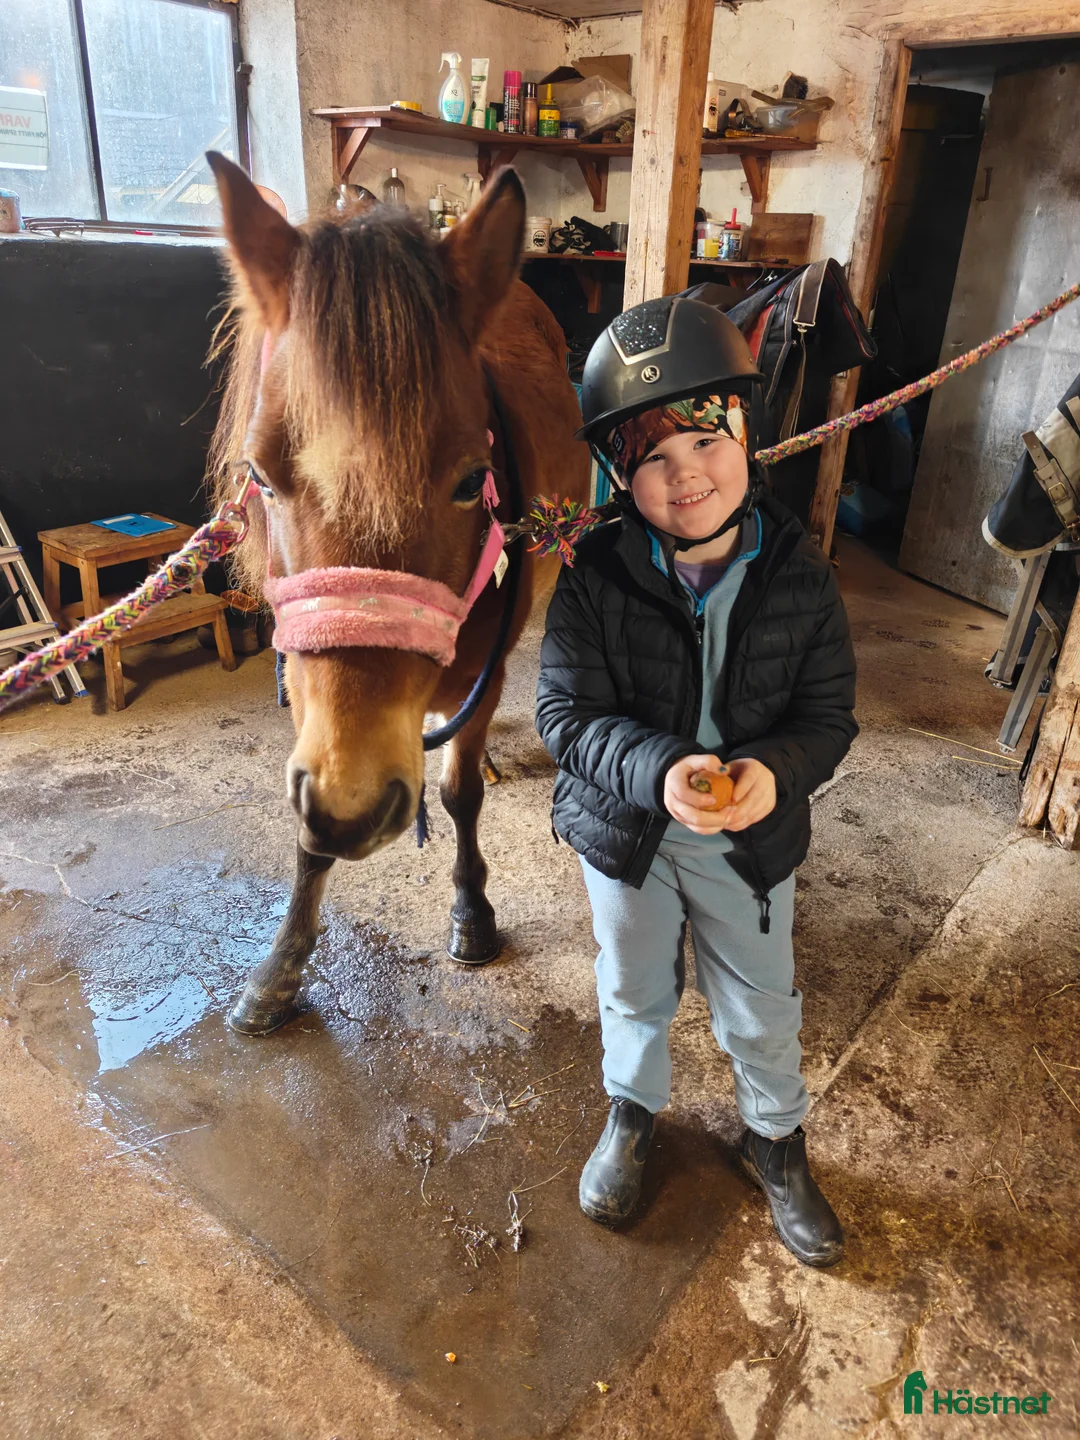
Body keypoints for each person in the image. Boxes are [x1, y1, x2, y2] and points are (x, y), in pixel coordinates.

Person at [535, 296, 857, 1267]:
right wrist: (658, 767)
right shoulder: (592, 577)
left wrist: (774, 773)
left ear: (747, 431)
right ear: (618, 476)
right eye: (653, 462)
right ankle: (632, 1113)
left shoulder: (803, 577)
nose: (687, 480)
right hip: (626, 833)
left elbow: (827, 718)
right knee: (632, 983)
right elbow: (565, 718)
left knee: (761, 995)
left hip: (748, 838)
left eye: (707, 444)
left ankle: (776, 1136)